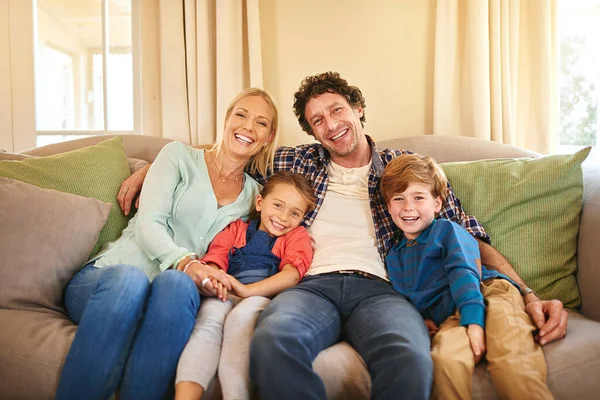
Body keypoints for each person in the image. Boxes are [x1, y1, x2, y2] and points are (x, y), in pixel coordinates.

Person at [119, 72, 568, 399]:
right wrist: (153, 169)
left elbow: (468, 235)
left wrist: (527, 293)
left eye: (337, 110)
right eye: (317, 120)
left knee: (409, 356)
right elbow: (231, 150)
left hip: (382, 291)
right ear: (310, 131)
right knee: (273, 344)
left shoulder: (402, 167)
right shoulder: (295, 163)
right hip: (310, 286)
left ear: (358, 109)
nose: (331, 124)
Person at [55, 87, 279, 400]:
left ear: (268, 137)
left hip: (166, 298)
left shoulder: (253, 198)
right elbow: (148, 223)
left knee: (177, 285)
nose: (247, 127)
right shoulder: (178, 156)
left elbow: (233, 254)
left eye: (260, 123)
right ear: (226, 120)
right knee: (130, 280)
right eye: (240, 115)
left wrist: (211, 277)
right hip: (109, 280)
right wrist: (188, 262)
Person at [380, 153, 553, 399]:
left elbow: (464, 271)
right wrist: (421, 318)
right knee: (445, 360)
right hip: (450, 315)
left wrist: (473, 321)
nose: (408, 207)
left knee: (511, 357)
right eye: (399, 199)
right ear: (388, 207)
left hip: (488, 292)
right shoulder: (393, 258)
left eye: (418, 197)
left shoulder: (446, 230)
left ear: (437, 204)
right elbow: (407, 297)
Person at [175, 171, 317, 400]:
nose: (283, 217)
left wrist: (248, 291)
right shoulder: (236, 229)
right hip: (227, 290)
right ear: (260, 202)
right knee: (209, 317)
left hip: (263, 297)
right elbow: (215, 260)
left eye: (294, 213)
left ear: (301, 219)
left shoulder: (296, 236)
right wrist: (217, 280)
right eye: (278, 205)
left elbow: (291, 275)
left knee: (240, 319)